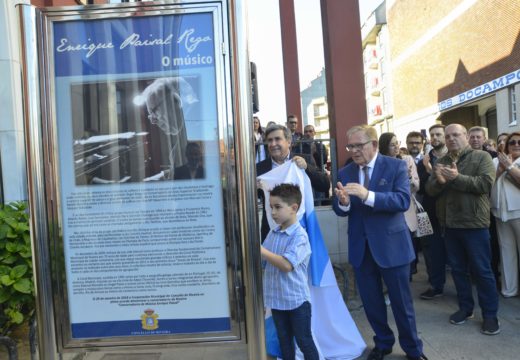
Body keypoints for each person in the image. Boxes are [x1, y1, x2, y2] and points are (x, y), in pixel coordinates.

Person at [333, 125, 427, 360]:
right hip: (361, 249)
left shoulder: (395, 165)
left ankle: (413, 349)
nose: (354, 150)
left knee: (402, 304)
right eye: (350, 146)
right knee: (372, 303)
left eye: (358, 145)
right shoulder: (345, 173)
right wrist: (344, 202)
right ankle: (383, 343)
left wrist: (368, 195)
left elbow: (402, 200)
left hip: (392, 247)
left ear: (373, 145)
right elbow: (340, 209)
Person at [426, 124, 499, 335]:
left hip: (474, 224)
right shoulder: (441, 161)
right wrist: (439, 181)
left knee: (482, 271)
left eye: (456, 135)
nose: (451, 139)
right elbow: (430, 190)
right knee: (458, 271)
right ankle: (466, 308)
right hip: (449, 225)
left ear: (466, 136)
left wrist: (456, 178)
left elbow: (484, 185)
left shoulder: (481, 157)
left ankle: (490, 315)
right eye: (447, 136)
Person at [261, 183, 319, 360]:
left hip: (296, 302)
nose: (272, 212)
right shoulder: (273, 233)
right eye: (271, 207)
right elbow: (265, 261)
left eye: (278, 207)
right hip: (277, 301)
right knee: (284, 341)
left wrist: (260, 251)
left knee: (304, 341)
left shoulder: (300, 236)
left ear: (294, 208)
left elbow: (286, 265)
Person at [257, 124, 330, 241]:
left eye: (277, 139)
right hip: (272, 230)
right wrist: (255, 188)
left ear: (289, 142)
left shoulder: (304, 159)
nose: (273, 144)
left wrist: (307, 168)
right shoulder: (260, 168)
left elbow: (324, 185)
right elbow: (252, 197)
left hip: (301, 228)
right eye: (270, 140)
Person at [378, 132, 420, 278]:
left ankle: (407, 276)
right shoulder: (379, 163)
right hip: (386, 212)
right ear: (384, 146)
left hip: (406, 211)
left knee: (406, 245)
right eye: (392, 144)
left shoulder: (407, 160)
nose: (396, 147)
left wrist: (407, 177)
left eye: (397, 143)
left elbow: (416, 186)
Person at [135, 77, 194, 180]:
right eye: (151, 116)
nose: (154, 121)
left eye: (154, 111)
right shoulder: (180, 134)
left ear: (175, 100)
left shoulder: (195, 128)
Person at [416, 124, 448, 299]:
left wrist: (431, 171)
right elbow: (421, 189)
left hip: (451, 211)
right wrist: (427, 170)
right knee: (431, 250)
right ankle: (436, 285)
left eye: (439, 134)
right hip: (428, 211)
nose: (435, 137)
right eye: (432, 135)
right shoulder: (424, 161)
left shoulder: (453, 157)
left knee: (455, 250)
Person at [491, 132, 520, 297]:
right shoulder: (495, 161)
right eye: (512, 142)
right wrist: (502, 167)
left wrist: (509, 166)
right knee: (506, 252)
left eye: (519, 142)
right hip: (500, 212)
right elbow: (489, 182)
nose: (516, 144)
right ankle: (509, 289)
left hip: (518, 211)